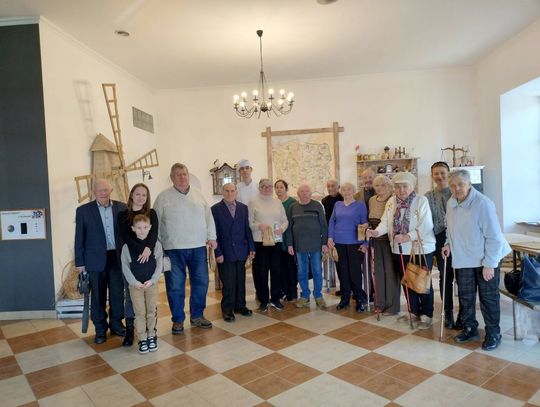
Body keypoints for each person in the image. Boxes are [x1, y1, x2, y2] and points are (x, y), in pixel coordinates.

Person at [442, 169, 511, 351]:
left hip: (486, 258)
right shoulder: (451, 202)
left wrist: (489, 264)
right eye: (453, 185)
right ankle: (470, 328)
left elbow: (494, 237)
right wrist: (448, 243)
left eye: (461, 184)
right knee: (466, 296)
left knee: (488, 298)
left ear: (469, 184)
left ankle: (494, 333)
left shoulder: (483, 203)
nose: (457, 189)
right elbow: (450, 227)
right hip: (464, 257)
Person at [367, 172, 436, 330]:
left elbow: (426, 225)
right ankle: (414, 312)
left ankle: (427, 314)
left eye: (405, 186)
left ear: (412, 187)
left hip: (420, 248)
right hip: (400, 249)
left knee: (421, 281)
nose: (401, 190)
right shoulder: (392, 201)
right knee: (407, 282)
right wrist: (376, 232)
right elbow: (385, 222)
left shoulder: (421, 200)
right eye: (398, 187)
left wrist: (408, 236)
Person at [154, 163, 217, 334]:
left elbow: (209, 218)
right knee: (175, 286)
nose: (182, 177)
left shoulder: (198, 195)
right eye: (178, 175)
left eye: (184, 174)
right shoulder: (163, 198)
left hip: (198, 247)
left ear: (188, 176)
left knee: (201, 282)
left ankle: (197, 316)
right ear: (172, 178)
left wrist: (212, 237)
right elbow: (155, 223)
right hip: (173, 249)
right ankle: (178, 320)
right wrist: (158, 245)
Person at [74, 178, 127, 344]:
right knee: (98, 296)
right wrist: (80, 263)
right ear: (94, 192)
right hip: (94, 260)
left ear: (111, 191)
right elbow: (79, 238)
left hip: (117, 258)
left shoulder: (122, 207)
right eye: (100, 190)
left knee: (117, 294)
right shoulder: (83, 211)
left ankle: (117, 324)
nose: (103, 193)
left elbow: (127, 234)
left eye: (106, 190)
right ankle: (100, 329)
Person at [117, 183, 159, 347]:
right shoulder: (123, 215)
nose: (141, 197)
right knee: (131, 297)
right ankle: (130, 331)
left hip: (149, 257)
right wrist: (142, 249)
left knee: (150, 299)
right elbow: (125, 237)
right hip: (131, 258)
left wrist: (148, 248)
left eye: (144, 195)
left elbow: (153, 234)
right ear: (131, 195)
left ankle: (151, 332)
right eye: (138, 194)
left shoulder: (151, 213)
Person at [425, 162, 462, 330]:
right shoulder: (428, 196)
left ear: (448, 174)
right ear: (432, 176)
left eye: (442, 173)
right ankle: (448, 313)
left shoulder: (456, 192)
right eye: (436, 173)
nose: (439, 176)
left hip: (459, 238)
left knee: (462, 277)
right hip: (440, 239)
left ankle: (463, 314)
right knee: (445, 276)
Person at [211, 183, 255, 322]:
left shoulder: (243, 208)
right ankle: (227, 310)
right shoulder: (215, 209)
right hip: (225, 252)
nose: (230, 193)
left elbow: (247, 229)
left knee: (240, 281)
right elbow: (214, 233)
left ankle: (240, 306)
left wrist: (251, 248)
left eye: (232, 191)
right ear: (222, 192)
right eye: (227, 191)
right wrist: (218, 252)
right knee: (228, 283)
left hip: (241, 251)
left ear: (236, 192)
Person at [120, 214, 163, 354]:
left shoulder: (155, 245)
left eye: (145, 227)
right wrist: (134, 282)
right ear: (133, 229)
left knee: (151, 311)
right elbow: (125, 266)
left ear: (150, 228)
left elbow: (159, 264)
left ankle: (152, 335)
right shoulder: (127, 247)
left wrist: (153, 280)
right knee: (139, 313)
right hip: (135, 286)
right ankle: (142, 338)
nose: (142, 230)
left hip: (151, 284)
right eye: (139, 228)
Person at [327, 182, 368, 312]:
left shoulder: (360, 205)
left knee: (355, 272)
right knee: (342, 271)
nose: (346, 192)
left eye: (349, 189)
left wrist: (366, 243)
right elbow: (332, 221)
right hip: (339, 243)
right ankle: (345, 298)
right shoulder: (337, 205)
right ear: (341, 191)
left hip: (355, 243)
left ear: (354, 191)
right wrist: (330, 237)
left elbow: (365, 224)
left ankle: (359, 298)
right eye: (344, 190)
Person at [249, 178, 288, 311]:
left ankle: (276, 299)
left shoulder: (277, 202)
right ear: (259, 188)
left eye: (269, 186)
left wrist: (281, 229)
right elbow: (249, 223)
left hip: (276, 241)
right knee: (261, 272)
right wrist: (259, 226)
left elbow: (285, 221)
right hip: (260, 242)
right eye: (264, 186)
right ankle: (264, 300)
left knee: (276, 271)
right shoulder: (253, 202)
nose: (267, 188)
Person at [286, 184, 328, 309]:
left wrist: (324, 243)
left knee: (317, 271)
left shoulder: (317, 206)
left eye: (307, 191)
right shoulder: (293, 207)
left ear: (310, 193)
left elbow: (323, 225)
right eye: (302, 191)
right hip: (299, 245)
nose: (304, 193)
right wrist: (290, 244)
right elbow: (289, 227)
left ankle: (318, 296)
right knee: (302, 271)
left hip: (316, 245)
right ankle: (305, 296)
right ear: (298, 194)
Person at [367, 175, 400, 315]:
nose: (379, 188)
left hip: (389, 241)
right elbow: (370, 219)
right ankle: (380, 303)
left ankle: (392, 306)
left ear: (389, 186)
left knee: (391, 273)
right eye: (376, 185)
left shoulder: (394, 200)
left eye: (382, 185)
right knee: (378, 272)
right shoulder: (371, 200)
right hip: (376, 240)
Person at [274, 179, 298, 301]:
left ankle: (292, 292)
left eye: (281, 187)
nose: (279, 189)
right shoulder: (273, 202)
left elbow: (293, 222)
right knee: (280, 268)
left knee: (291, 267)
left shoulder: (292, 202)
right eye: (277, 187)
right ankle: (282, 290)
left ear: (286, 189)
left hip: (289, 240)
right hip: (277, 240)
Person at [321, 179, 344, 295]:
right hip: (331, 233)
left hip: (343, 232)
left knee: (344, 262)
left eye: (333, 186)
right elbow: (327, 219)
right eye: (328, 186)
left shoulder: (343, 198)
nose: (330, 188)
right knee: (337, 260)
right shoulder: (324, 200)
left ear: (338, 187)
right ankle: (343, 287)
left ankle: (347, 287)